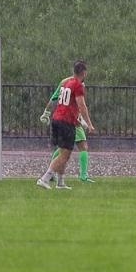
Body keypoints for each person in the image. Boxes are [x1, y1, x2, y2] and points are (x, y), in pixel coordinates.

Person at [36, 60, 93, 190]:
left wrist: (46, 112)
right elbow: (81, 105)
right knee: (66, 153)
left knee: (63, 151)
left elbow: (58, 101)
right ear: (84, 73)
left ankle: (60, 182)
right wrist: (88, 123)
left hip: (57, 118)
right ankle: (45, 178)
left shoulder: (65, 82)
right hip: (65, 122)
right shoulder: (78, 85)